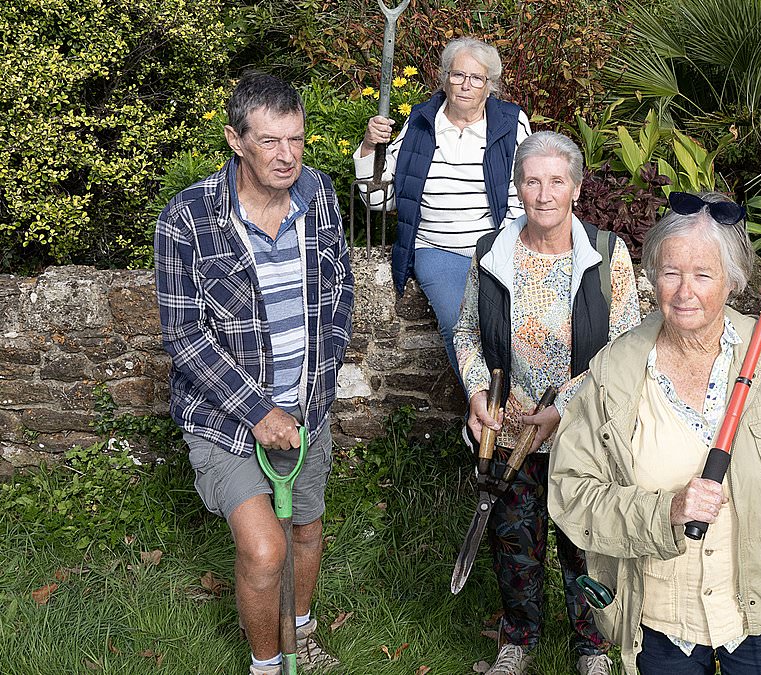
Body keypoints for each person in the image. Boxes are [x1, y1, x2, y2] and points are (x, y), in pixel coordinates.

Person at [548, 191, 761, 675]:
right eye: (671, 272)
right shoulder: (615, 373)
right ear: (652, 277)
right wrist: (666, 509)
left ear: (733, 281)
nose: (683, 291)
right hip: (659, 617)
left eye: (703, 274)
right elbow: (571, 491)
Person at [155, 72, 354, 675]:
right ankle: (267, 665)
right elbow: (184, 336)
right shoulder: (187, 219)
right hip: (227, 422)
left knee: (306, 534)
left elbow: (340, 292)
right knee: (265, 550)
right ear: (235, 141)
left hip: (306, 412)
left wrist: (320, 381)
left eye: (295, 138)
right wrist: (258, 412)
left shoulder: (318, 195)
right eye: (269, 141)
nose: (286, 155)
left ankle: (299, 631)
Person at [454, 131, 642, 675]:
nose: (543, 194)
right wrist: (477, 392)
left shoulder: (607, 256)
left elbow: (623, 349)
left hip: (582, 433)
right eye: (531, 181)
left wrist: (565, 409)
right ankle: (518, 638)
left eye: (556, 181)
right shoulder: (493, 253)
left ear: (576, 188)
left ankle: (593, 647)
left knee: (584, 542)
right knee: (515, 539)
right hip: (507, 431)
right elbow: (466, 332)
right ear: (517, 188)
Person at [357, 36, 531, 378]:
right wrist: (367, 147)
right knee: (459, 325)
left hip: (495, 250)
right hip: (437, 250)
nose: (466, 85)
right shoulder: (420, 123)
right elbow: (380, 199)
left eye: (477, 78)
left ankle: (508, 412)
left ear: (489, 86)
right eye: (457, 75)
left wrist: (503, 248)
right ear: (444, 78)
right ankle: (485, 414)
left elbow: (523, 192)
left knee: (511, 330)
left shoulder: (511, 123)